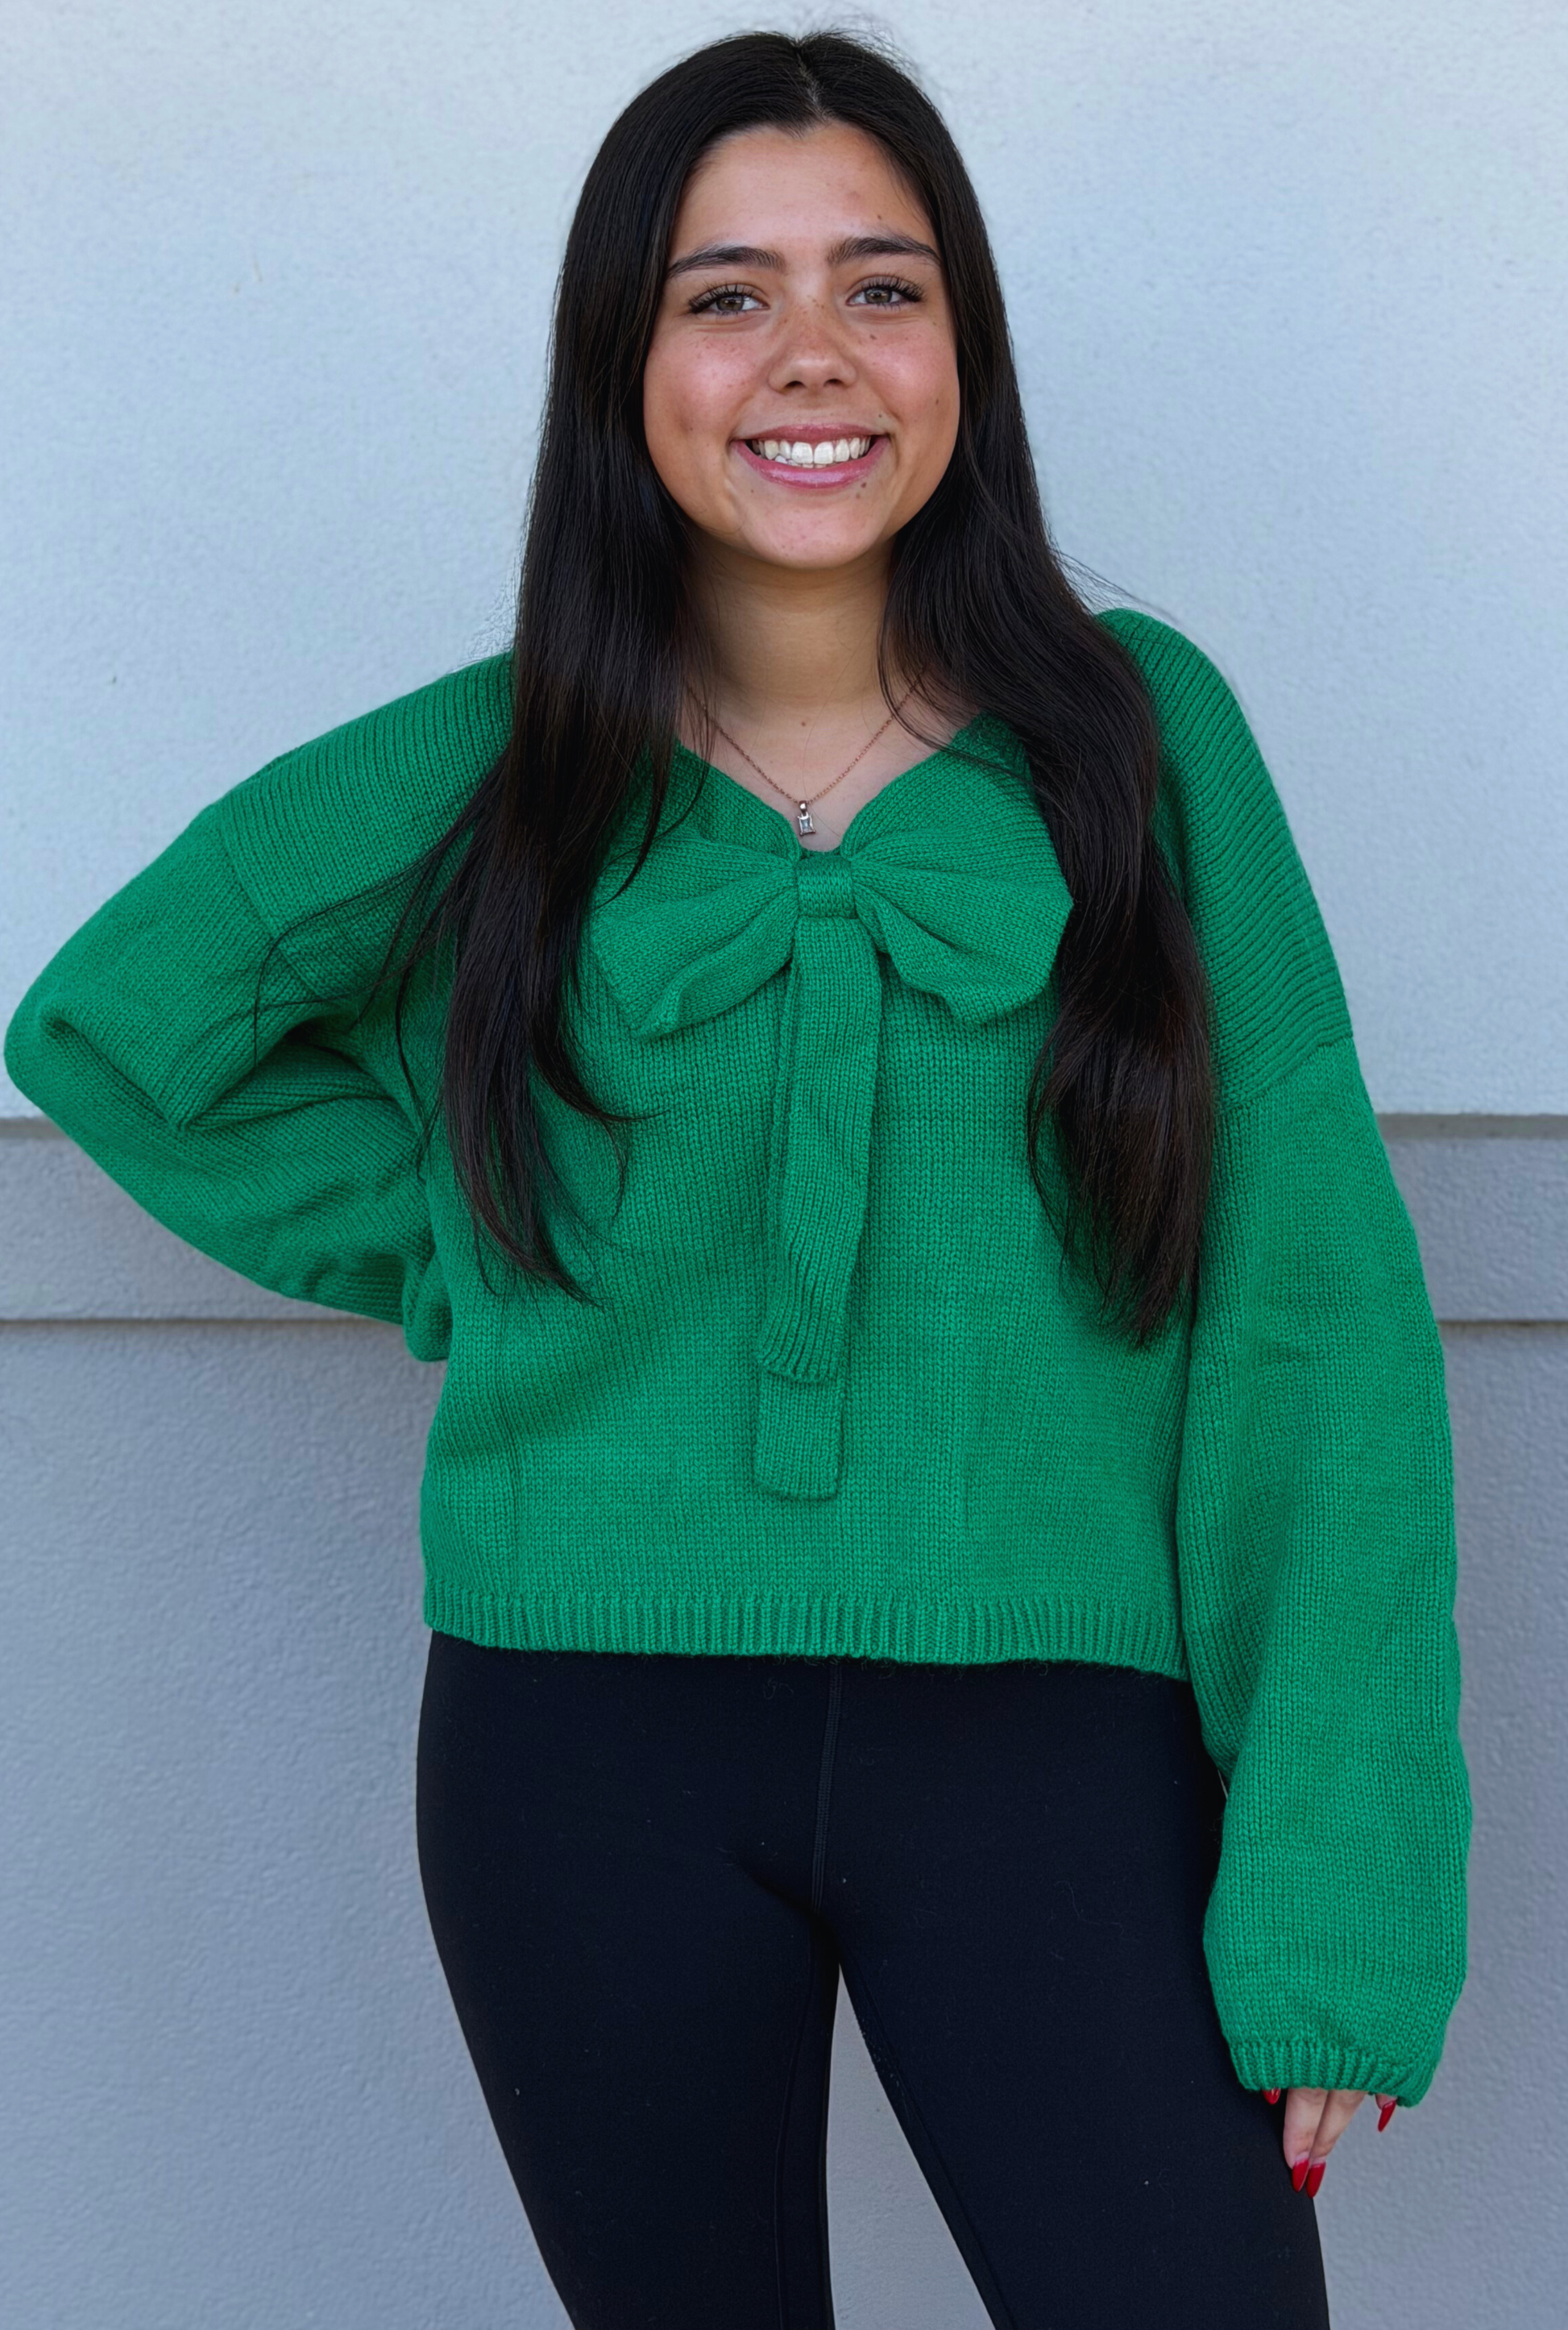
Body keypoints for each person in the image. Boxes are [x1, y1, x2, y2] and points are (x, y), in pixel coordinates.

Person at [3, 27, 1471, 2330]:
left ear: (966, 349)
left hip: (1057, 1739)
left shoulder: (1145, 737)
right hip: (576, 1745)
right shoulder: (513, 766)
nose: (812, 354)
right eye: (725, 294)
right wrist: (470, 1230)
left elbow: (1318, 1317)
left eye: (882, 288)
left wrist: (1343, 1895)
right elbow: (116, 1031)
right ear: (628, 362)